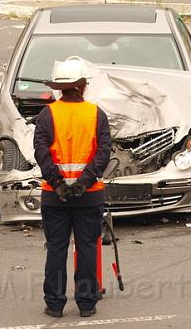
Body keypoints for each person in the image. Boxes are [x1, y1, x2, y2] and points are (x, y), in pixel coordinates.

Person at [33, 57, 111, 319]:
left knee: (56, 248)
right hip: (89, 195)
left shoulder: (47, 114)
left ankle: (55, 305)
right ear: (83, 85)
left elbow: (41, 152)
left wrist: (57, 184)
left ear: (59, 88)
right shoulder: (96, 113)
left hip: (54, 197)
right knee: (87, 247)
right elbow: (103, 152)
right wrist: (83, 183)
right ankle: (87, 304)